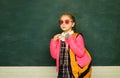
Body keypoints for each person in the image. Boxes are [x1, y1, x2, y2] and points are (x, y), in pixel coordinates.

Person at [50, 13, 92, 78]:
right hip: (62, 69)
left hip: (73, 70)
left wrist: (70, 39)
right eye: (61, 22)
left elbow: (80, 53)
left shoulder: (77, 36)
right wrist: (53, 41)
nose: (63, 24)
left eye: (66, 21)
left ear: (73, 24)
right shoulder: (60, 38)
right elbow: (54, 56)